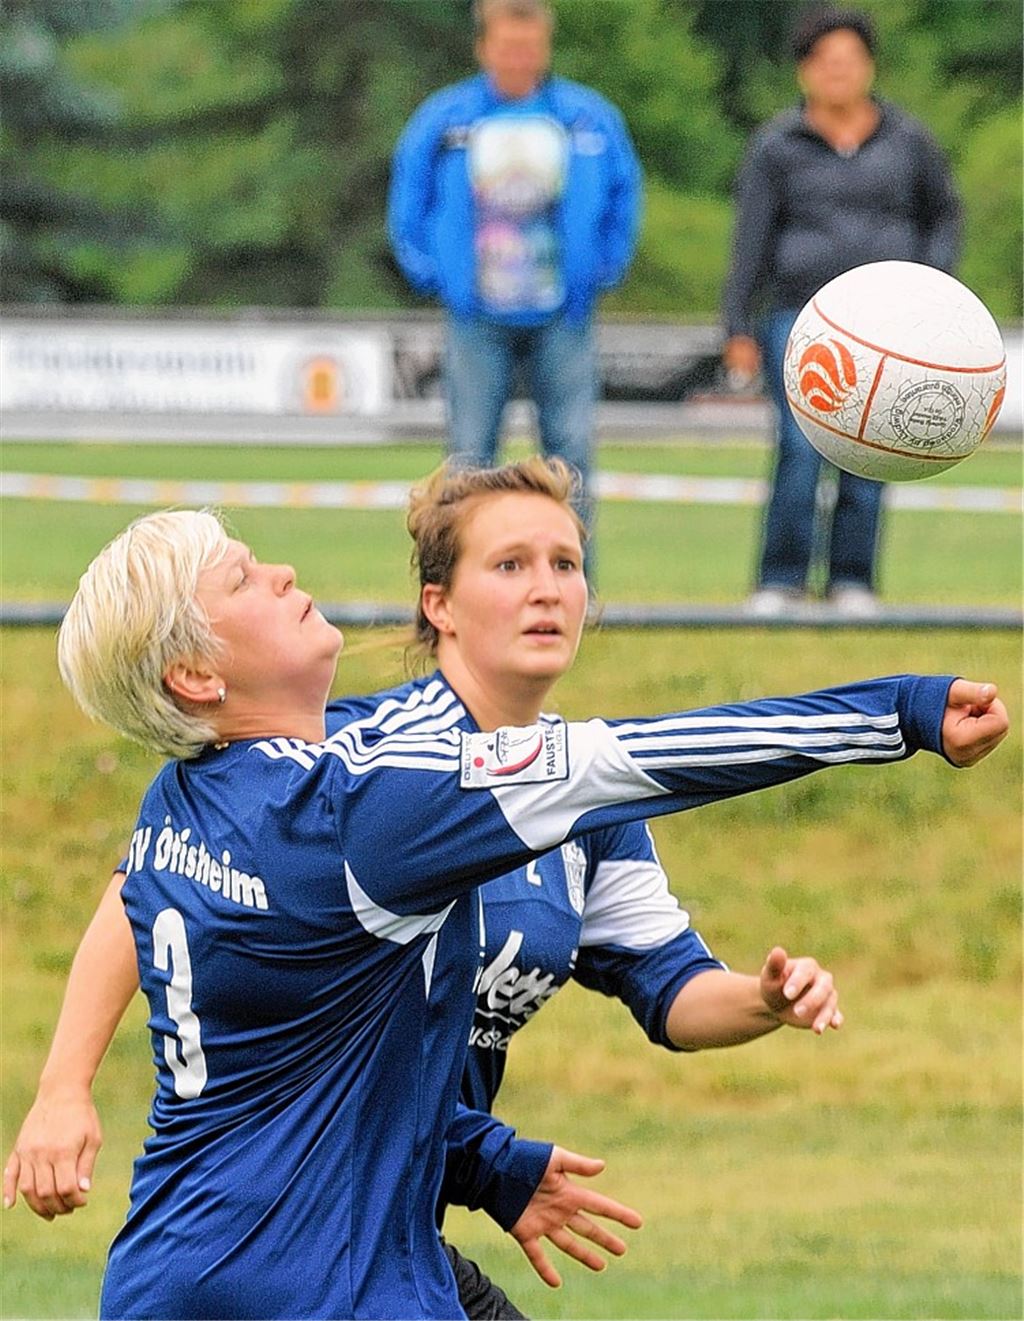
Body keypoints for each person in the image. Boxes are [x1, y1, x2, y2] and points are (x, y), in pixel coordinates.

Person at [4, 476, 1006, 1320]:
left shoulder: (185, 792)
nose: (284, 572)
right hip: (325, 1278)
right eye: (244, 579)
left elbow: (285, 1048)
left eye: (566, 562)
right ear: (194, 675)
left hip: (182, 1265)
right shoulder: (366, 810)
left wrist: (482, 1160)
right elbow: (656, 754)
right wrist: (899, 709)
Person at [721, 6, 962, 617]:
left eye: (850, 61)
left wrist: (934, 287)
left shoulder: (909, 140)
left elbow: (944, 217)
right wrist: (737, 326)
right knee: (800, 450)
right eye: (826, 62)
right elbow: (750, 239)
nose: (839, 72)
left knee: (874, 447)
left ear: (869, 67)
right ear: (805, 71)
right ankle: (780, 580)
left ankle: (853, 581)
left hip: (891, 325)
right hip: (802, 321)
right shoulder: (776, 146)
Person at [387, 0, 642, 559]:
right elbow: (409, 196)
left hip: (564, 317)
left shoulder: (587, 117)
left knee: (572, 457)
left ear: (545, 46)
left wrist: (603, 269)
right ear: (484, 47)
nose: (519, 57)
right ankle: (465, 584)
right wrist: (434, 275)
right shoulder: (445, 118)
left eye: (530, 46)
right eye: (508, 46)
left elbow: (625, 196)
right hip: (476, 317)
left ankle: (574, 590)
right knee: (469, 461)